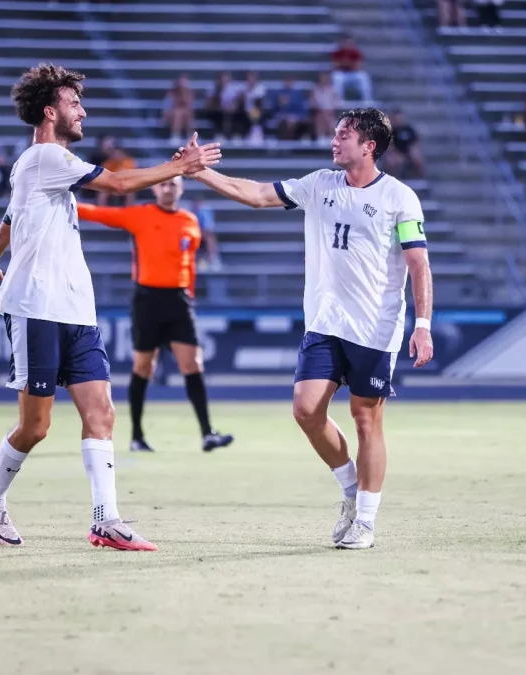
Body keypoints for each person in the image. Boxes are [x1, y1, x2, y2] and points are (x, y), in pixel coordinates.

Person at [0, 63, 221, 551]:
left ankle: (105, 520)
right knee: (35, 426)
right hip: (35, 306)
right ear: (50, 111)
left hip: (76, 310)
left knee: (102, 411)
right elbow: (117, 184)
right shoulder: (45, 157)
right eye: (73, 104)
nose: (82, 111)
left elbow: (7, 222)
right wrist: (181, 166)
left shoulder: (45, 167)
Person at [180, 108, 434, 550]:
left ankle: (367, 522)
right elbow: (258, 195)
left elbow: (419, 265)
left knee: (366, 420)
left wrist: (424, 324)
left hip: (375, 328)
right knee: (305, 409)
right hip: (324, 323)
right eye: (335, 134)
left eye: (344, 136)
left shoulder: (400, 198)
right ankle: (353, 492)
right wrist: (203, 174)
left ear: (369, 146)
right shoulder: (320, 184)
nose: (334, 141)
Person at [77, 179, 234, 454]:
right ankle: (137, 436)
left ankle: (207, 433)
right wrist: (63, 201)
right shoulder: (140, 215)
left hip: (179, 300)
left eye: (173, 184)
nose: (168, 189)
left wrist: (190, 294)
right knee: (143, 368)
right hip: (147, 300)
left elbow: (190, 264)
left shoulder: (190, 221)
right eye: (163, 185)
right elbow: (97, 213)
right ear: (154, 189)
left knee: (193, 364)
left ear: (181, 189)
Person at [330, 35, 374, 104]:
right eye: (346, 43)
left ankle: (367, 101)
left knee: (363, 76)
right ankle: (339, 101)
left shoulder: (356, 52)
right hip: (342, 74)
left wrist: (344, 63)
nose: (348, 45)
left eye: (349, 43)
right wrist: (349, 64)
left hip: (353, 74)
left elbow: (358, 67)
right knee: (336, 77)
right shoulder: (337, 53)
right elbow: (336, 66)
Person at [384, 111, 425, 179]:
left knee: (417, 158)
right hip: (395, 152)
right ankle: (393, 180)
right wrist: (396, 153)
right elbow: (389, 145)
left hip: (409, 152)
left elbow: (416, 142)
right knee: (392, 162)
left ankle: (421, 179)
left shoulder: (409, 129)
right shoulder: (389, 131)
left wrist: (413, 150)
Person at [270, 75, 311, 142]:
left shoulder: (297, 94)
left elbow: (301, 110)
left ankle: (292, 143)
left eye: (290, 82)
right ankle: (285, 144)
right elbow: (274, 110)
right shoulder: (279, 93)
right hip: (282, 117)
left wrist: (295, 117)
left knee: (295, 122)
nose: (288, 83)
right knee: (284, 123)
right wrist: (280, 105)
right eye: (287, 81)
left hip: (295, 118)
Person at [161, 73, 195, 145]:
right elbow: (167, 108)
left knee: (186, 113)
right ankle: (175, 135)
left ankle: (191, 135)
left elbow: (188, 104)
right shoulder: (171, 93)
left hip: (185, 115)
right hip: (171, 115)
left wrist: (183, 93)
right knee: (178, 113)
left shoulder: (189, 93)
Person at [191, 195, 222, 271]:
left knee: (210, 237)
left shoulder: (205, 211)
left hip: (201, 234)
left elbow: (208, 227)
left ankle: (213, 260)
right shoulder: (189, 212)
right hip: (191, 234)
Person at [311, 72, 340, 144]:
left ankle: (330, 136)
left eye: (325, 78)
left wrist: (329, 110)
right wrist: (321, 110)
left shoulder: (332, 90)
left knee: (328, 117)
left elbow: (337, 103)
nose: (323, 79)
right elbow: (313, 103)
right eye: (322, 78)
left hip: (330, 112)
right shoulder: (315, 89)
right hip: (319, 112)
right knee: (319, 117)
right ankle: (321, 137)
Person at [242, 71, 268, 146]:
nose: (251, 80)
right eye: (249, 78)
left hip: (256, 112)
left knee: (258, 114)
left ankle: (257, 134)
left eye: (252, 78)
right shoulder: (243, 88)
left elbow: (259, 103)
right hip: (244, 112)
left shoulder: (260, 88)